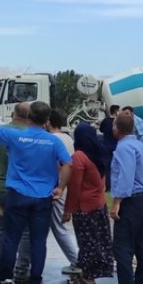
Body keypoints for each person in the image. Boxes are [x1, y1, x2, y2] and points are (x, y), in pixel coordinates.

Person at [0, 100, 71, 284]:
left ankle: (5, 280)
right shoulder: (54, 141)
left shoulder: (16, 136)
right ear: (47, 120)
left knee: (11, 237)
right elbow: (67, 164)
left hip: (17, 194)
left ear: (28, 117)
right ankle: (35, 282)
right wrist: (60, 188)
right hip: (43, 197)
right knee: (38, 241)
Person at [103, 113, 143, 284]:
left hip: (130, 200)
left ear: (116, 129)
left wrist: (116, 202)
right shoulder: (142, 146)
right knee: (141, 244)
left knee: (122, 244)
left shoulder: (123, 148)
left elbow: (125, 175)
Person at [0, 104, 33, 278]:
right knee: (26, 230)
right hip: (26, 189)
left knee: (2, 228)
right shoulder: (32, 134)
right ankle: (21, 269)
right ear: (29, 116)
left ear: (13, 114)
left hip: (1, 187)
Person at [64, 122, 113, 284]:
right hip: (99, 204)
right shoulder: (99, 153)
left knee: (86, 242)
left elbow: (74, 186)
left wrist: (68, 210)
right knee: (98, 240)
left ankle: (88, 277)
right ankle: (93, 272)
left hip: (84, 206)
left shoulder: (79, 156)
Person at [44, 109, 80, 274]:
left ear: (48, 122)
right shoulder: (67, 138)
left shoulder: (52, 139)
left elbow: (59, 163)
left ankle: (77, 261)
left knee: (58, 228)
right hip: (64, 185)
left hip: (56, 186)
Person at [100, 104, 119, 190]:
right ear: (116, 111)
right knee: (115, 167)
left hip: (106, 145)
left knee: (107, 167)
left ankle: (108, 186)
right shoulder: (118, 122)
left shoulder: (105, 121)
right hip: (115, 146)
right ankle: (115, 185)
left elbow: (101, 129)